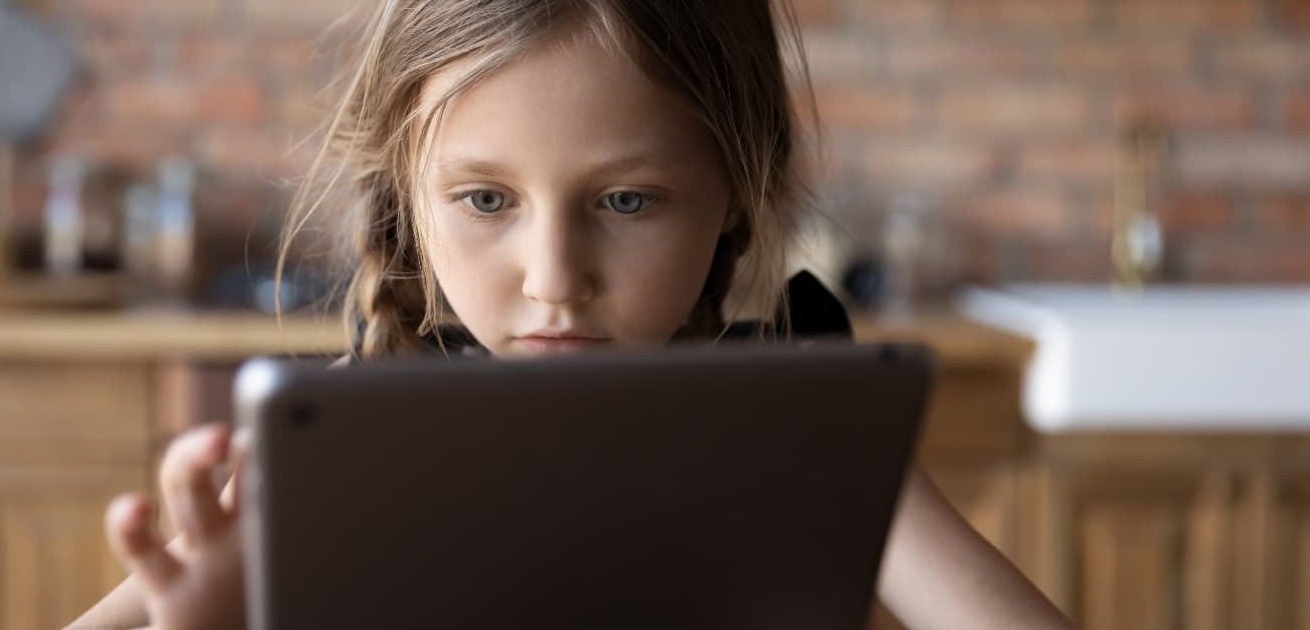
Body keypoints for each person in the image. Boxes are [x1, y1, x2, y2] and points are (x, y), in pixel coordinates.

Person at [67, 1, 1074, 628]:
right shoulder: (332, 447)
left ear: (734, 190)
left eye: (626, 201)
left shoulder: (801, 440)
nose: (554, 279)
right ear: (405, 204)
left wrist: (862, 470)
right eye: (486, 200)